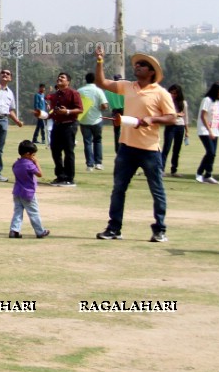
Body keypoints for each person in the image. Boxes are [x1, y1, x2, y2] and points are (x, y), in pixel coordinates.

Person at [94, 48, 175, 242]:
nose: (137, 67)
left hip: (150, 150)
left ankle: (160, 229)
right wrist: (99, 62)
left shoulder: (161, 93)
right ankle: (114, 228)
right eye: (137, 64)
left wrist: (152, 119)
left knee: (157, 190)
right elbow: (102, 83)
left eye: (142, 65)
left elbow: (172, 117)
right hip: (127, 148)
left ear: (152, 71)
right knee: (118, 189)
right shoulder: (128, 86)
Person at [46, 72, 82, 187]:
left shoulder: (73, 93)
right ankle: (60, 176)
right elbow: (51, 112)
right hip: (57, 125)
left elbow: (80, 109)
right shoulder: (55, 95)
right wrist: (42, 114)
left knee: (68, 151)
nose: (59, 78)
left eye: (62, 77)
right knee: (55, 150)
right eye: (59, 77)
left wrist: (67, 111)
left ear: (68, 82)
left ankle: (69, 177)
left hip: (69, 125)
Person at [9, 140, 50, 239]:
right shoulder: (29, 164)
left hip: (17, 192)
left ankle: (14, 230)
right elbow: (40, 174)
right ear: (28, 154)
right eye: (33, 154)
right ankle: (40, 231)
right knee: (33, 212)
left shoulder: (16, 164)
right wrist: (36, 162)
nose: (34, 156)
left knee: (18, 212)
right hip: (28, 193)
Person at [196, 82, 219, 184]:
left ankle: (206, 175)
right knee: (210, 152)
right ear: (215, 90)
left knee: (212, 154)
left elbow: (216, 118)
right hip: (205, 130)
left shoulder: (217, 102)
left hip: (214, 131)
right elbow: (203, 116)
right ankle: (202, 174)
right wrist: (209, 130)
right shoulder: (207, 100)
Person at [77, 72, 110, 171]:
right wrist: (99, 108)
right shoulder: (98, 90)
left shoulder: (79, 91)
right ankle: (98, 163)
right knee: (98, 141)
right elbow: (104, 105)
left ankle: (89, 165)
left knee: (87, 142)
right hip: (96, 120)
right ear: (95, 80)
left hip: (83, 120)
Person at [162, 84, 188, 176]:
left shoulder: (183, 103)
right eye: (171, 93)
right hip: (170, 126)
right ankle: (161, 169)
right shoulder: (167, 102)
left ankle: (174, 170)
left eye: (175, 93)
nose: (173, 95)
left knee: (177, 149)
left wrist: (187, 131)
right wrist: (177, 114)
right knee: (166, 148)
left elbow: (185, 118)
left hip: (180, 126)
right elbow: (165, 115)